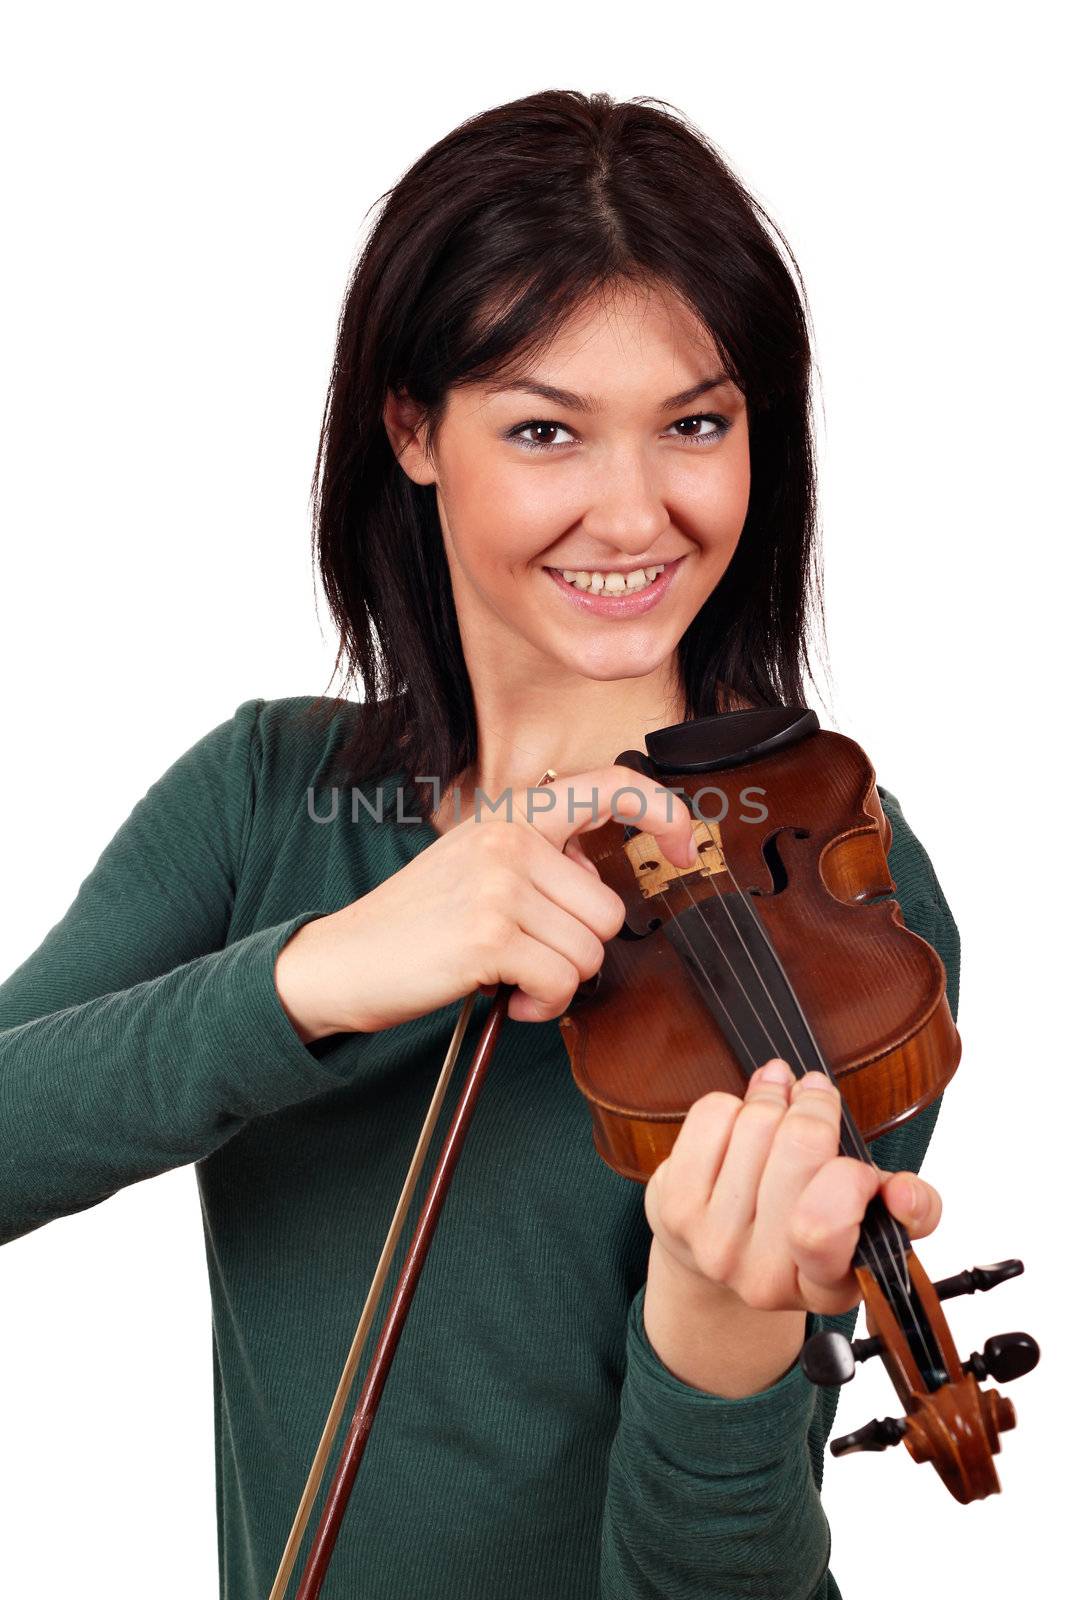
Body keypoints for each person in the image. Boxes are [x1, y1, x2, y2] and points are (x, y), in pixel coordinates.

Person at [0, 89, 958, 1599]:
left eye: (696, 423)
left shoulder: (841, 889)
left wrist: (719, 1326)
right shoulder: (268, 797)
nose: (634, 511)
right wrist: (314, 974)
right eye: (544, 430)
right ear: (411, 430)